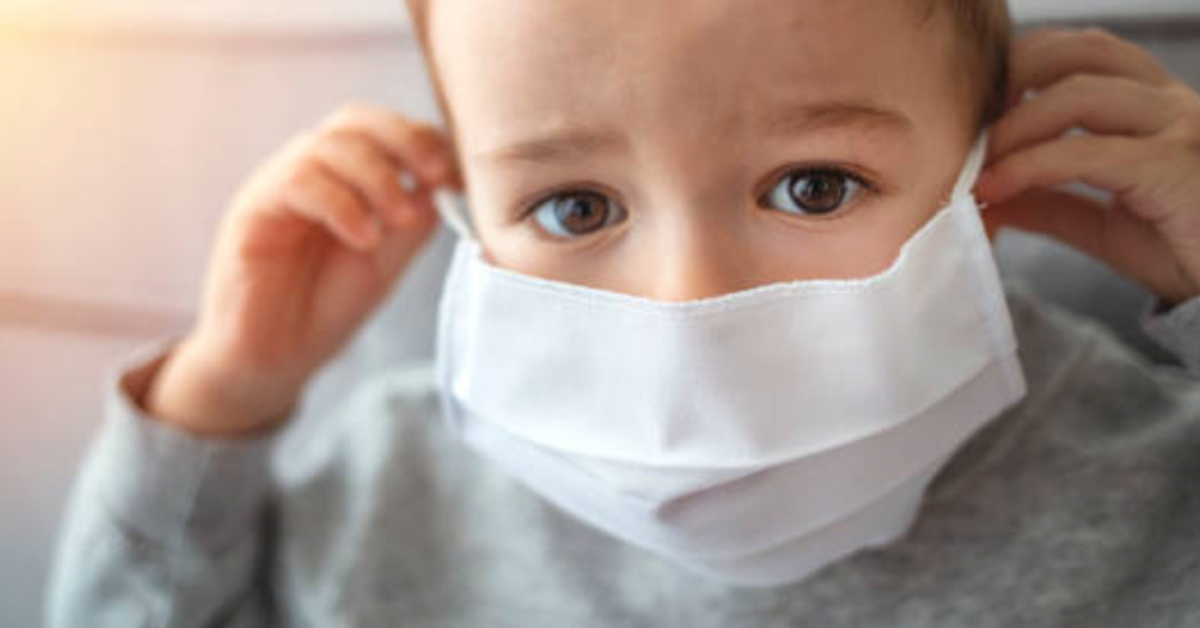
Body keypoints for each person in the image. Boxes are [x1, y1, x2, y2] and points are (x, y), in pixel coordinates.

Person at [47, 0, 1200, 625]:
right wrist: (224, 394)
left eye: (814, 185)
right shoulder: (389, 482)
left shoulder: (1155, 477)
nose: (690, 301)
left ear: (982, 179)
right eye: (576, 205)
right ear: (466, 210)